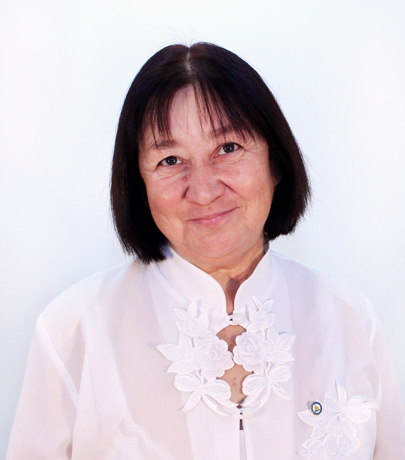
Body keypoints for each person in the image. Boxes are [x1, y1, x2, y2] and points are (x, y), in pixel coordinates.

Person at [6, 43, 405, 460]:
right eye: (170, 159)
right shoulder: (74, 331)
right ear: (138, 183)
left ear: (275, 161)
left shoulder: (348, 317)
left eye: (227, 148)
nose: (203, 190)